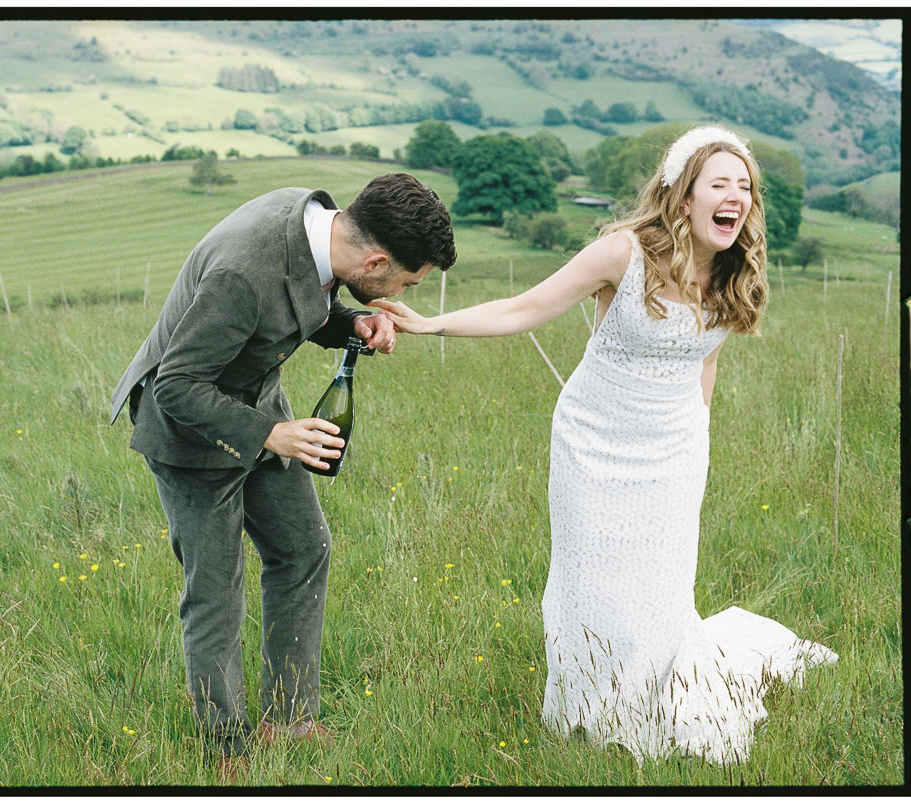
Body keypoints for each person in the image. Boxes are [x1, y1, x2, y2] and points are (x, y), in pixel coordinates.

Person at [372, 127, 836, 764]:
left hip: (675, 453)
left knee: (659, 586)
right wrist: (433, 323)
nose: (736, 197)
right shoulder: (623, 253)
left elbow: (705, 364)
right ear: (683, 195)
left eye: (746, 188)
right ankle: (590, 707)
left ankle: (650, 700)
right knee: (592, 582)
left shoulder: (734, 277)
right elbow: (523, 309)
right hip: (593, 445)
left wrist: (697, 441)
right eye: (720, 184)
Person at [109, 173, 456, 773]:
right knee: (216, 588)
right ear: (375, 259)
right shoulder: (244, 272)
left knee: (303, 547)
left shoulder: (319, 228)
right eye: (404, 281)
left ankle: (289, 720)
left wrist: (350, 324)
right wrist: (270, 435)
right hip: (191, 430)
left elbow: (300, 300)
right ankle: (225, 749)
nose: (401, 292)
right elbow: (176, 386)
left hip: (258, 408)